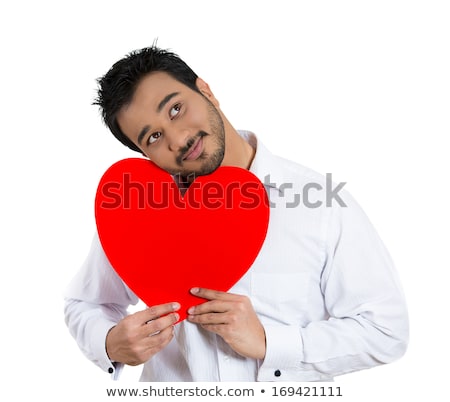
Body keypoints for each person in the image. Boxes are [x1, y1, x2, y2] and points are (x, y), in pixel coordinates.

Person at [64, 45, 409, 382]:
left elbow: (385, 330)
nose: (178, 139)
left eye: (175, 109)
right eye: (153, 137)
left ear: (206, 91)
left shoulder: (320, 203)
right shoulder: (139, 212)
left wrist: (270, 343)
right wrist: (110, 344)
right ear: (144, 154)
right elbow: (85, 303)